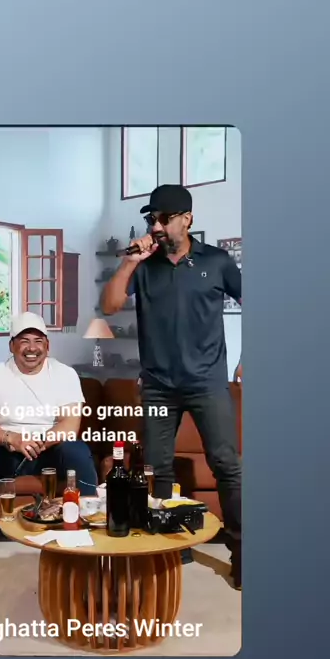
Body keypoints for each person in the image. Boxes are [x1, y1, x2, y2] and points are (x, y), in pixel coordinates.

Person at [101, 184, 242, 589]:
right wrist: (130, 262)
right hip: (159, 385)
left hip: (207, 383)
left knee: (227, 466)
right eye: (152, 219)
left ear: (187, 219)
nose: (156, 226)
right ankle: (168, 547)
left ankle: (242, 553)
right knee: (156, 468)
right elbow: (110, 305)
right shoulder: (145, 266)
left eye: (164, 218)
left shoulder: (216, 262)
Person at [0, 312, 98, 567]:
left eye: (38, 341)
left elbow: (70, 425)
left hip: (48, 450)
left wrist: (41, 440)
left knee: (76, 450)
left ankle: (87, 528)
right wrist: (12, 438)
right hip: (8, 450)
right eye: (24, 340)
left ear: (47, 346)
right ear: (12, 345)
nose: (31, 348)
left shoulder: (65, 374)